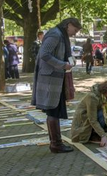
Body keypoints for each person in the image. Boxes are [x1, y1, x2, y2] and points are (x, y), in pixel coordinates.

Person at [31, 17, 82, 153]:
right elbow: (44, 54)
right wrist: (63, 65)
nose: (74, 34)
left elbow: (66, 54)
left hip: (57, 79)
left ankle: (56, 142)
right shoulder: (55, 34)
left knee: (55, 110)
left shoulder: (61, 35)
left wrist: (71, 62)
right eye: (75, 30)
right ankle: (56, 144)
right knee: (53, 110)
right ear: (68, 25)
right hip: (51, 79)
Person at [71, 79, 107, 146]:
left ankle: (103, 131)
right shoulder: (92, 97)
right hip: (85, 122)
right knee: (103, 113)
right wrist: (103, 136)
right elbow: (92, 119)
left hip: (96, 117)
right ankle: (94, 135)